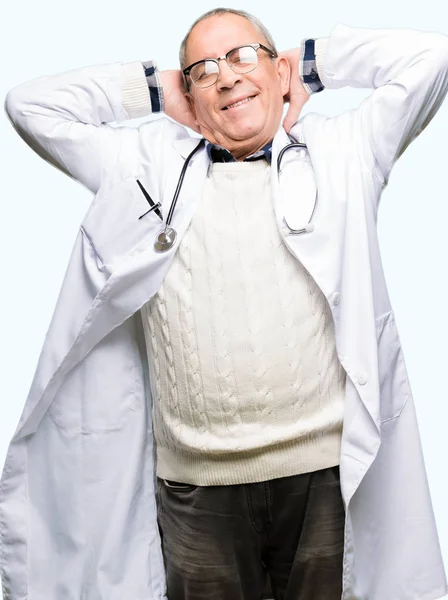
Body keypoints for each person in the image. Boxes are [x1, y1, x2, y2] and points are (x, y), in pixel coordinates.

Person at [1, 7, 447, 600]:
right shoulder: (142, 166)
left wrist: (312, 65)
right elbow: (29, 106)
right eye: (204, 70)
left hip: (323, 478)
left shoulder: (345, 151)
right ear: (189, 94)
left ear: (277, 67)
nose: (227, 77)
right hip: (196, 490)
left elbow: (432, 60)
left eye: (243, 57)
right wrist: (158, 89)